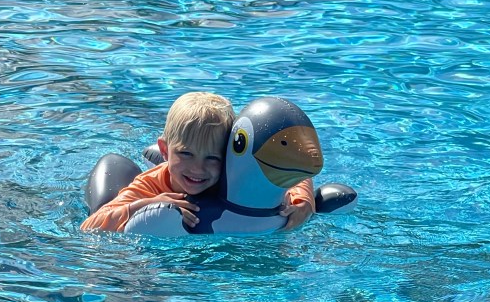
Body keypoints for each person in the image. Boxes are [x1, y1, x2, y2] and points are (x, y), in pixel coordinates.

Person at [81, 91, 316, 233]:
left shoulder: (229, 173)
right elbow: (88, 227)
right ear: (166, 150)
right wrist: (143, 205)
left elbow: (296, 174)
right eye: (186, 154)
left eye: (212, 158)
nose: (198, 169)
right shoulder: (150, 185)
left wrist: (303, 202)